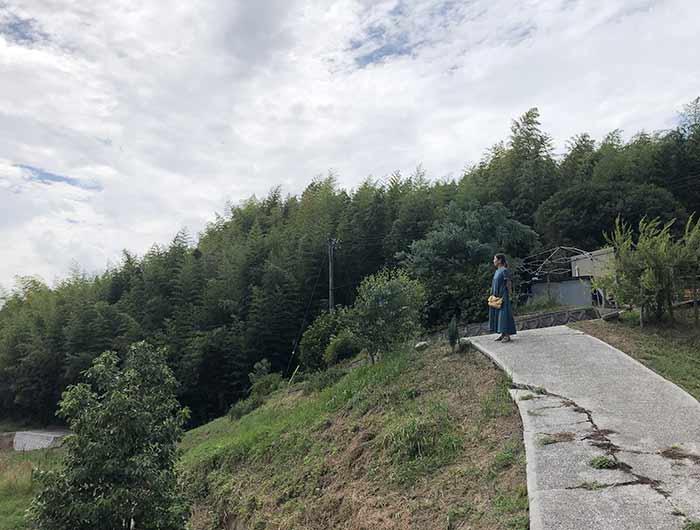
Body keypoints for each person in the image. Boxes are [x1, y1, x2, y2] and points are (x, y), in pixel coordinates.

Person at [489, 254, 516, 342]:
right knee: (498, 315)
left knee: (504, 315)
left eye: (495, 259)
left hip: (503, 296)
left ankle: (507, 335)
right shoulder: (497, 271)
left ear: (500, 260)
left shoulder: (504, 270)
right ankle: (502, 333)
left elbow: (508, 282)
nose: (493, 261)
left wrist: (510, 294)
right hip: (496, 297)